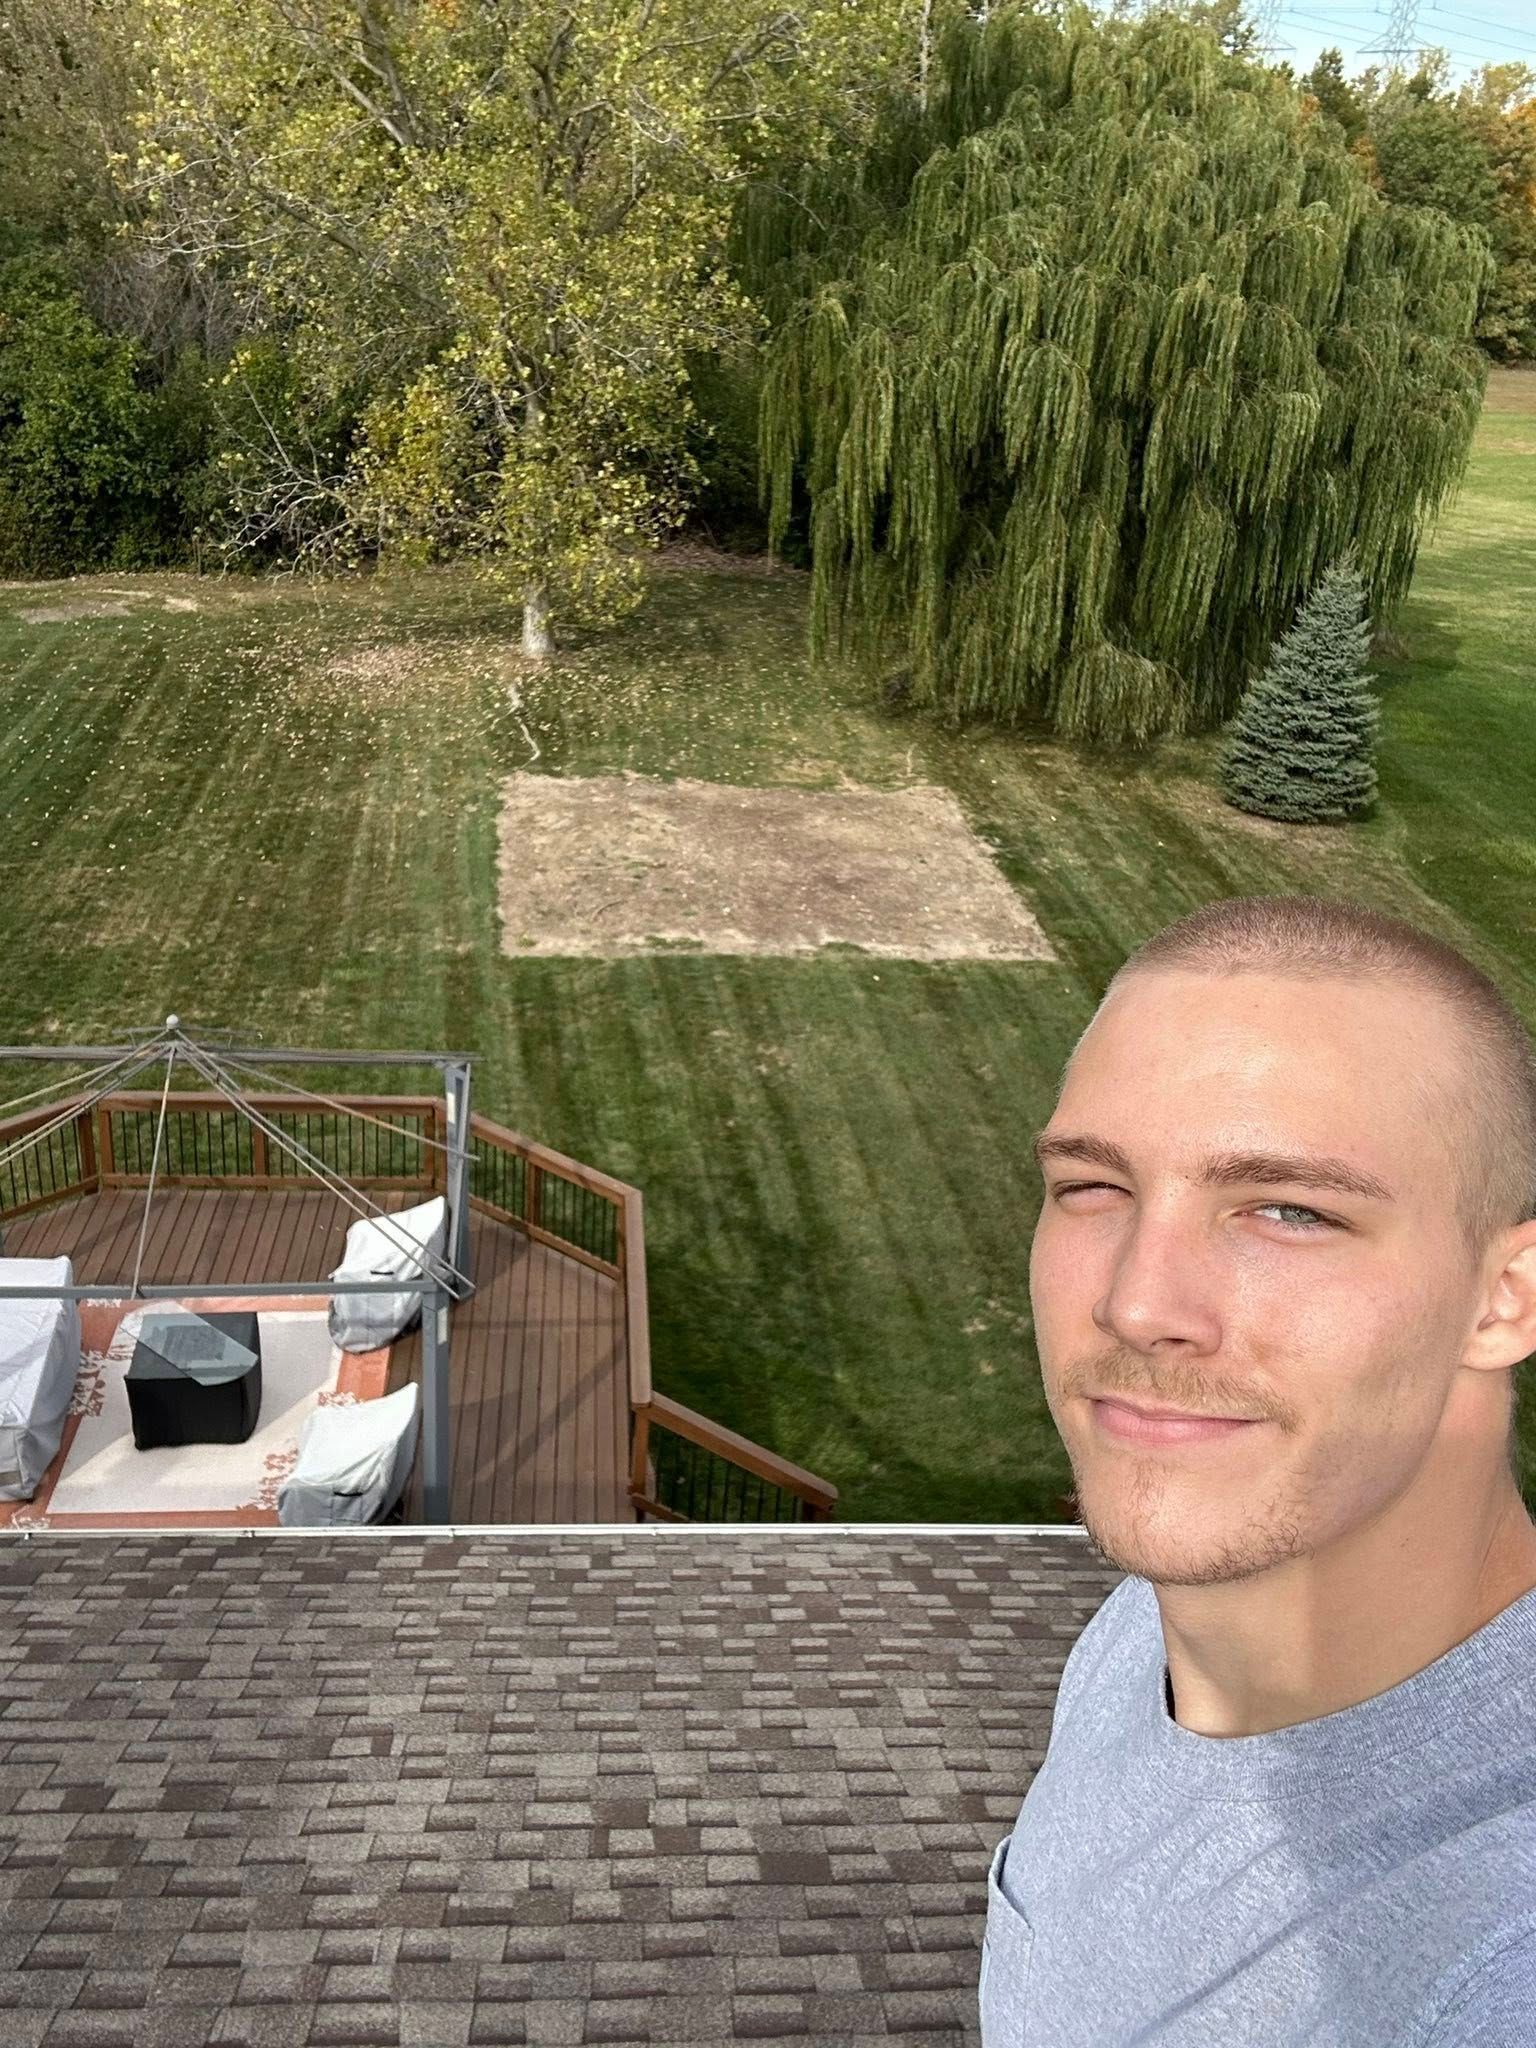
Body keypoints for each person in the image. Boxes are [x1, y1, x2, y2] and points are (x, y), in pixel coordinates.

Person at [979, 894, 1536, 2046]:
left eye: (1288, 1209)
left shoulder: (1496, 1952)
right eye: (1093, 1186)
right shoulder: (1144, 1631)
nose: (1137, 1302)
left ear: (1506, 1297)